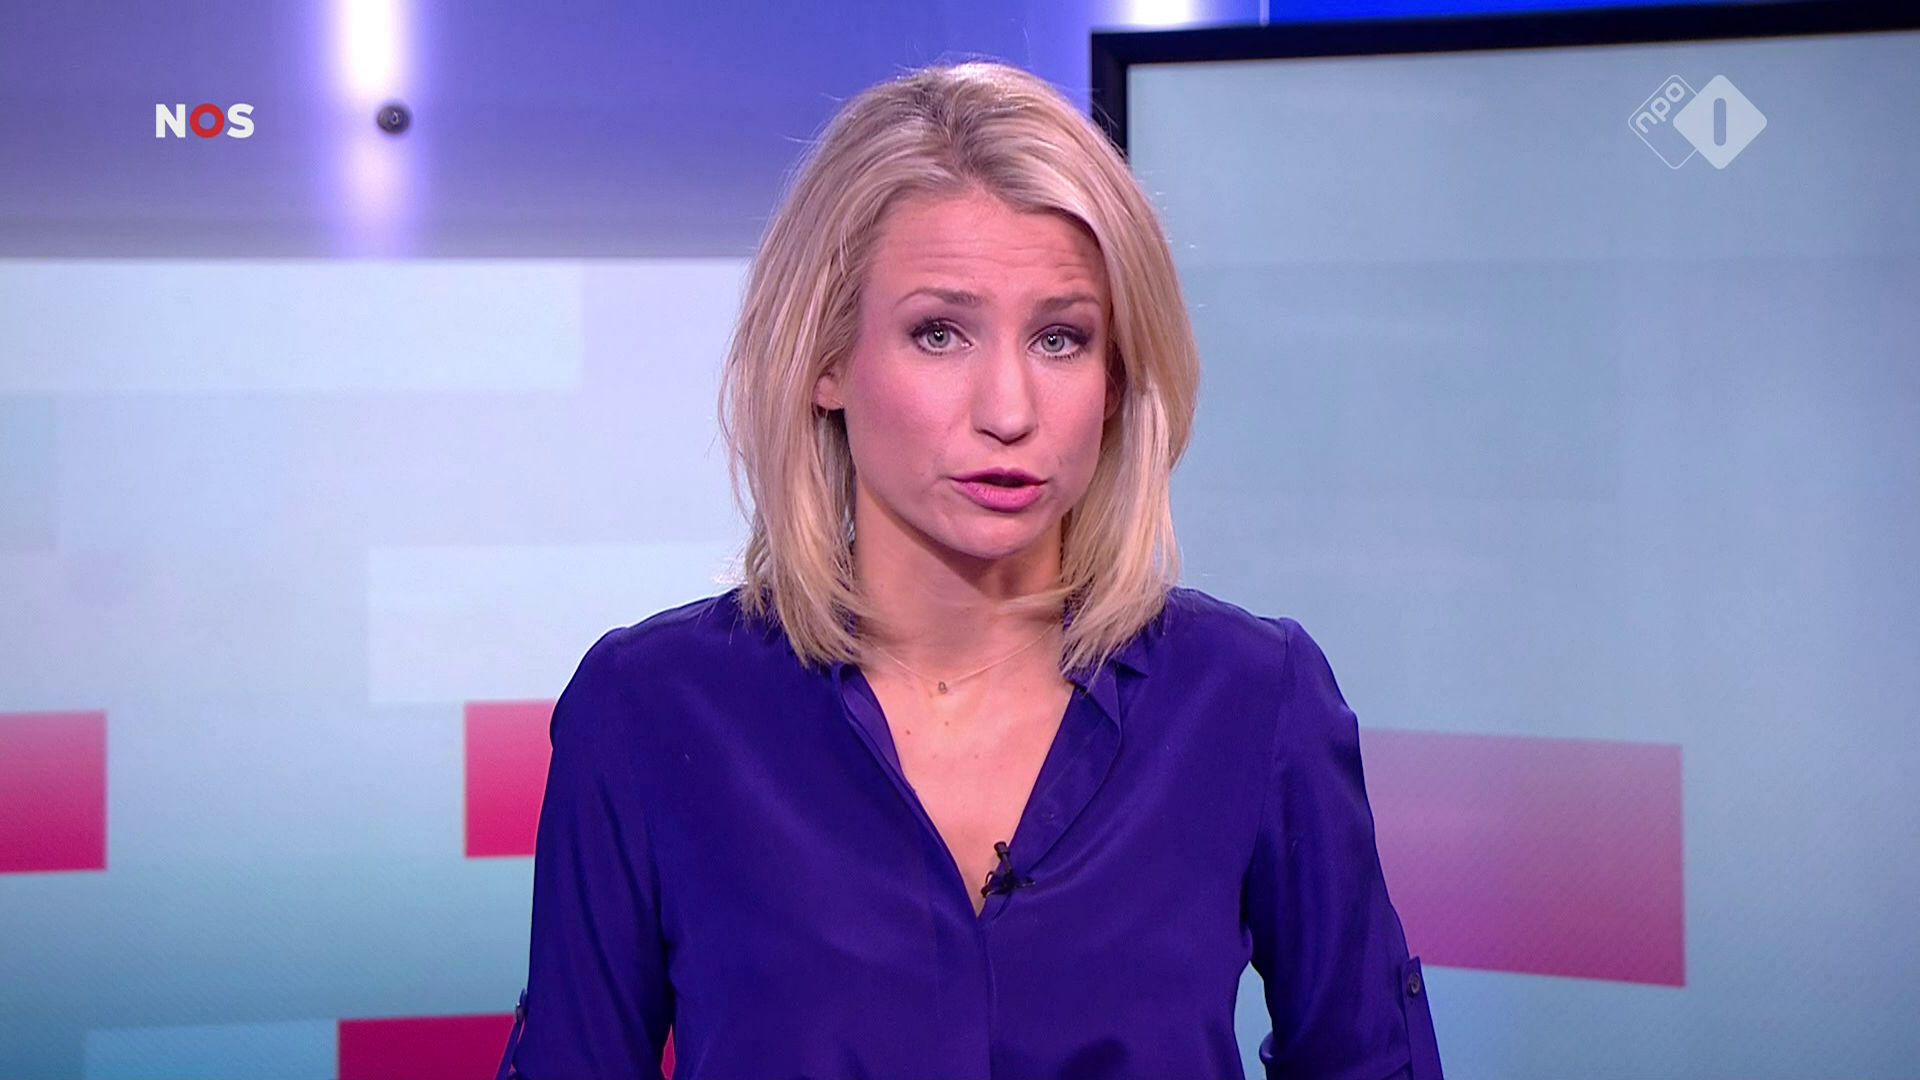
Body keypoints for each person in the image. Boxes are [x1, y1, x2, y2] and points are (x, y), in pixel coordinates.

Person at [495, 58, 1443, 1080]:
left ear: (1118, 377)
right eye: (939, 333)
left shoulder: (1251, 700)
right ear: (824, 360)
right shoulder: (652, 713)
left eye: (1061, 339)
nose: (1009, 410)